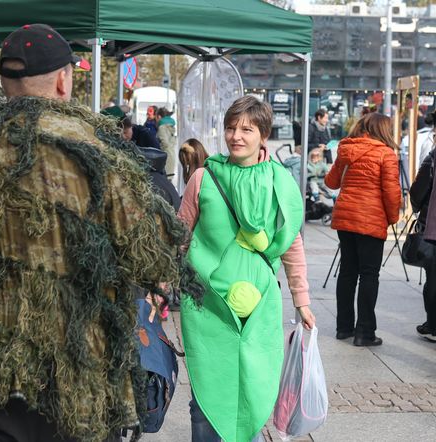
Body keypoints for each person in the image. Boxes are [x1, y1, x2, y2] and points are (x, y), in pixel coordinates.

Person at [0, 24, 198, 442]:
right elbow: (150, 256)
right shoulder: (95, 154)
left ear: (3, 81)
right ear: (64, 80)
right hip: (74, 369)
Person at [178, 96, 315, 442]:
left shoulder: (279, 182)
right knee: (206, 396)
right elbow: (178, 237)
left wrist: (302, 300)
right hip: (206, 305)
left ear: (263, 135)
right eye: (230, 128)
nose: (236, 136)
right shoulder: (203, 178)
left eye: (246, 129)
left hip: (258, 308)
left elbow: (291, 243)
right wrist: (160, 288)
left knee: (252, 394)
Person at [325, 113, 402, 347]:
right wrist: (392, 218)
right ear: (384, 130)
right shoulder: (386, 154)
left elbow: (331, 182)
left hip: (345, 219)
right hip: (371, 219)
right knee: (369, 275)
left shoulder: (346, 149)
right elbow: (391, 193)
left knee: (348, 272)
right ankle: (365, 332)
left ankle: (343, 328)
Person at [409, 148, 436, 342]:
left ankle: (433, 324)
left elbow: (418, 191)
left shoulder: (433, 157)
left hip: (433, 227)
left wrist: (418, 207)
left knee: (434, 278)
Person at [157, 107, 177, 178]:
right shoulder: (171, 126)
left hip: (165, 157)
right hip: (171, 155)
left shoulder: (162, 127)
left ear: (159, 116)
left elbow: (164, 143)